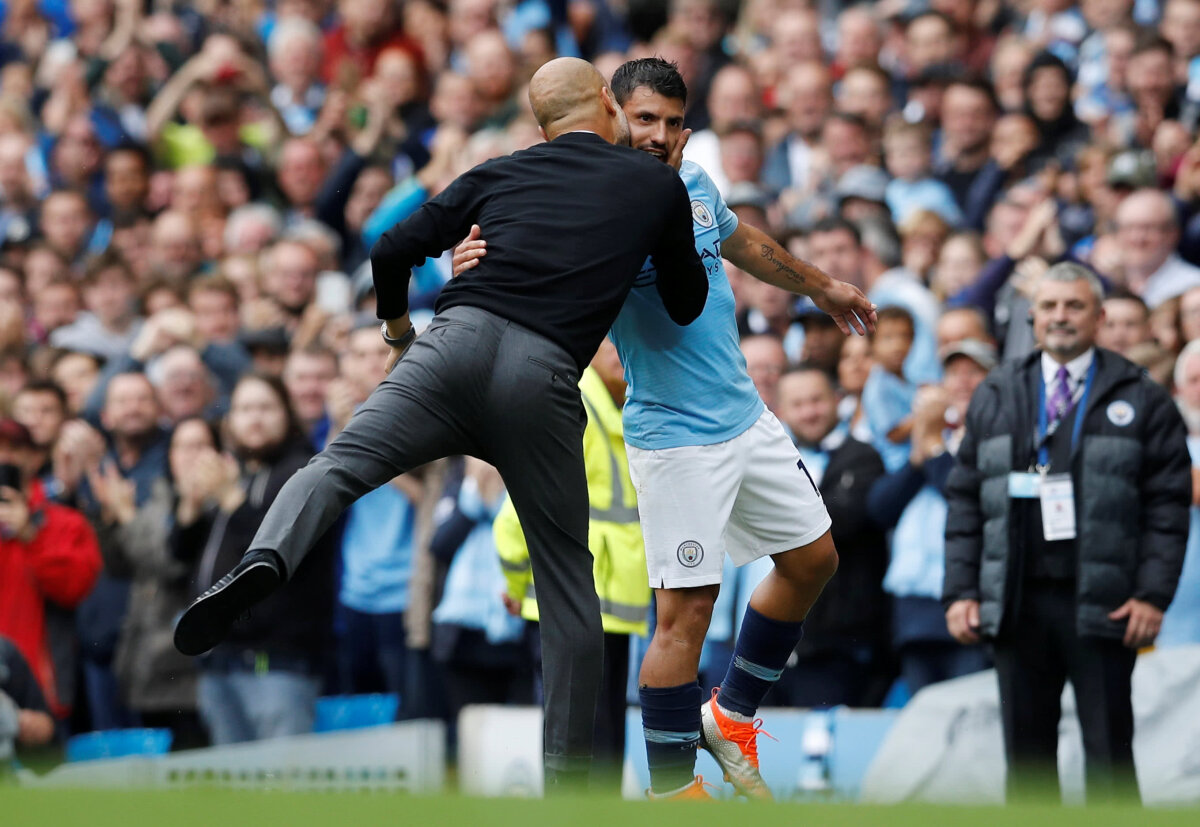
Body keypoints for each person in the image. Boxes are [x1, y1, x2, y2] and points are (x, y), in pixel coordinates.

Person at [174, 57, 710, 788]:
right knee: (565, 586)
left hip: (447, 349)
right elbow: (684, 303)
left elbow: (389, 247)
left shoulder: (500, 171)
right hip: (542, 376)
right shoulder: (653, 183)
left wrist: (399, 334)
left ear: (539, 121)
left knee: (331, 470)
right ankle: (565, 783)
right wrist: (662, 195)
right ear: (607, 109)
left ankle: (263, 559)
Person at [454, 57, 875, 801]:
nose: (661, 135)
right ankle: (674, 792)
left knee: (813, 560)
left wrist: (819, 285)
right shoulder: (597, 206)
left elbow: (743, 243)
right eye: (645, 119)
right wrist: (471, 264)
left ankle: (731, 712)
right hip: (675, 439)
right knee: (685, 616)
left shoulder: (697, 184)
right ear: (612, 115)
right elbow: (521, 260)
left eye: (674, 122)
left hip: (746, 415)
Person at [944, 262, 1190, 803]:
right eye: (1051, 306)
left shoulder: (1141, 394)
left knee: (1109, 754)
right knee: (1026, 762)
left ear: (1099, 317)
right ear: (1032, 317)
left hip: (1104, 603)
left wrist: (1151, 595)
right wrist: (963, 592)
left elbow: (1167, 506)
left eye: (1074, 306)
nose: (1061, 317)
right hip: (1015, 601)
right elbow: (965, 499)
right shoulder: (998, 391)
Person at [493, 338, 650, 788]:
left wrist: (519, 583)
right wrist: (518, 583)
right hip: (573, 600)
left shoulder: (616, 407)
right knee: (580, 740)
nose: (623, 352)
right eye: (613, 344)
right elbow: (516, 514)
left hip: (605, 603)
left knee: (595, 741)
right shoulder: (572, 406)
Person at [172, 375, 335, 744]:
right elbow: (181, 556)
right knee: (235, 794)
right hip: (221, 660)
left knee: (281, 785)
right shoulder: (240, 472)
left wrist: (229, 497)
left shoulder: (305, 471)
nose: (255, 419)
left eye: (265, 408)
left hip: (278, 662)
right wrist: (192, 503)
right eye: (245, 409)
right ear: (230, 422)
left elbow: (277, 549)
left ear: (288, 415)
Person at [770, 367, 889, 707]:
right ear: (780, 411)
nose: (809, 411)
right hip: (772, 640)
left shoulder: (863, 457)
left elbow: (839, 524)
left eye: (817, 400)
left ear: (837, 400)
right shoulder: (772, 461)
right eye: (798, 404)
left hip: (838, 643)